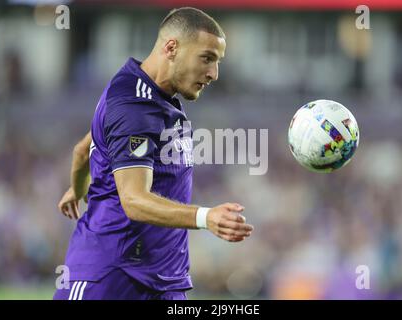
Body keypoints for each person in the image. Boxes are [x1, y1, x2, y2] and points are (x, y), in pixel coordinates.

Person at [54, 7, 254, 300]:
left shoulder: (156, 97)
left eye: (217, 62)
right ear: (171, 47)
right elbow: (134, 200)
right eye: (207, 58)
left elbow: (84, 148)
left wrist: (76, 187)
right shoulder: (134, 105)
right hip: (111, 277)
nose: (213, 73)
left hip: (163, 281)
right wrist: (205, 217)